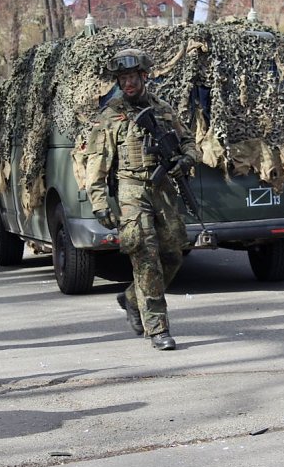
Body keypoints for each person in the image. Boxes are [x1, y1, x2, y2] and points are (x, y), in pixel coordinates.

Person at [85, 48, 199, 350]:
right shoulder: (110, 116)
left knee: (174, 252)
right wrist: (99, 203)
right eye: (123, 78)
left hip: (163, 188)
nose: (128, 84)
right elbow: (96, 162)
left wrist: (185, 160)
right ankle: (158, 328)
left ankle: (132, 298)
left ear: (144, 76)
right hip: (131, 190)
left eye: (133, 77)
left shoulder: (163, 109)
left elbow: (189, 142)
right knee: (145, 257)